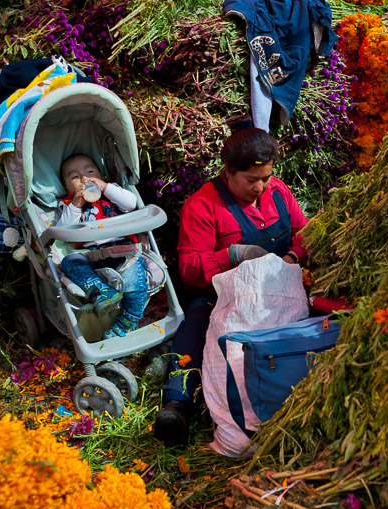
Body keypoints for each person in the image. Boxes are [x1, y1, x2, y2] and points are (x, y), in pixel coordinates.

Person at [154, 123, 309, 445]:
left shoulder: (278, 192)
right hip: (220, 297)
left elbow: (305, 232)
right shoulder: (203, 205)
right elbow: (189, 270)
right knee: (196, 329)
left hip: (281, 289)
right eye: (252, 180)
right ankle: (178, 404)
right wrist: (232, 255)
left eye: (266, 177)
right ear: (228, 171)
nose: (261, 187)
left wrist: (294, 256)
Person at [54, 153, 148, 340]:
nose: (84, 178)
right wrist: (76, 204)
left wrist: (105, 187)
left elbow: (131, 204)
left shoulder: (111, 192)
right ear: (66, 187)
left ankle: (128, 320)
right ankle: (100, 292)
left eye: (90, 172)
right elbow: (63, 231)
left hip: (124, 252)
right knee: (69, 261)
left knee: (135, 282)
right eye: (75, 177)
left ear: (102, 176)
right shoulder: (69, 205)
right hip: (91, 255)